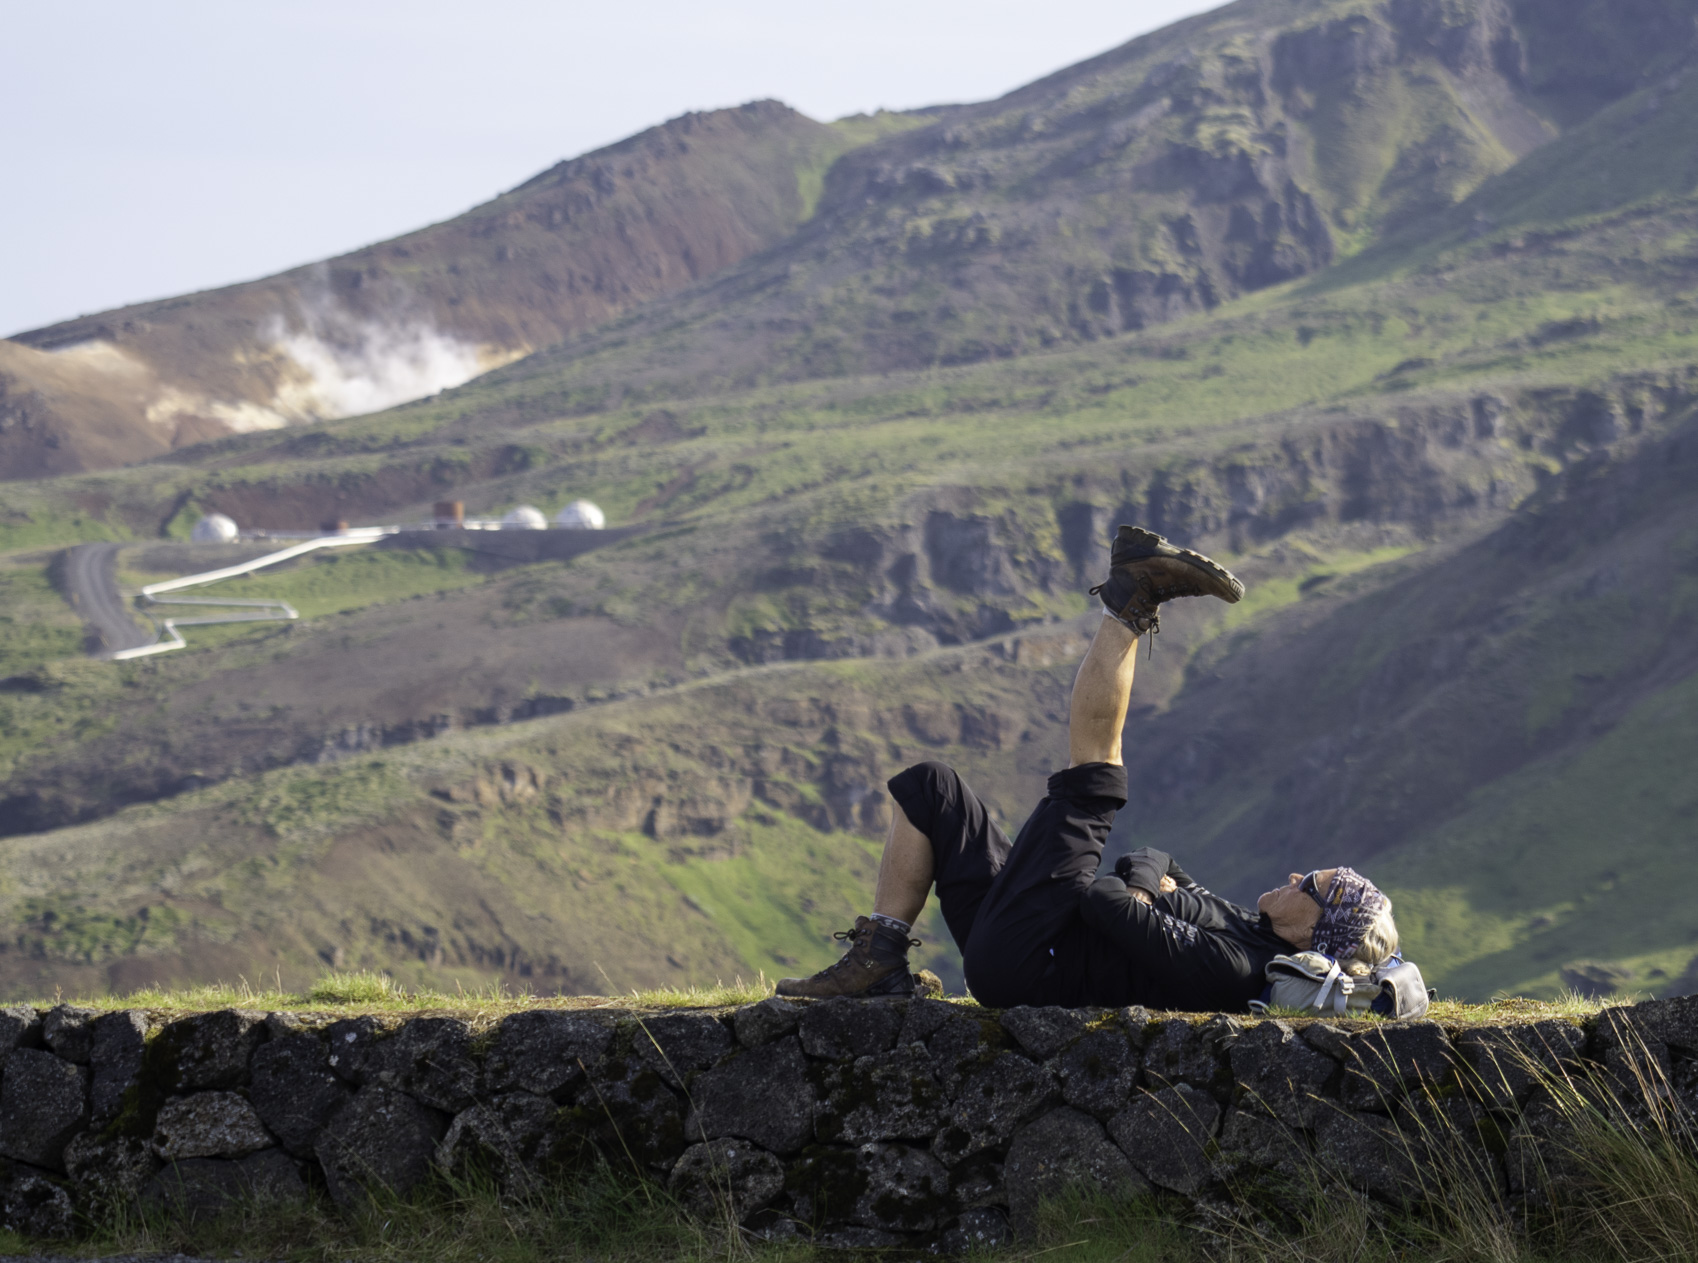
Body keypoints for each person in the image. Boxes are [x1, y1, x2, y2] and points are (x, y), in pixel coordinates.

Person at [775, 525, 1399, 1011]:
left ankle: (1132, 599)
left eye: (1311, 885)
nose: (1295, 876)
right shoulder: (1242, 923)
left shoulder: (1238, 968)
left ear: (1315, 931)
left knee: (1096, 782)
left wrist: (1144, 897)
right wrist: (1149, 892)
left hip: (1031, 963)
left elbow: (1106, 898)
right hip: (1027, 939)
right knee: (932, 789)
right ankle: (879, 958)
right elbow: (1153, 860)